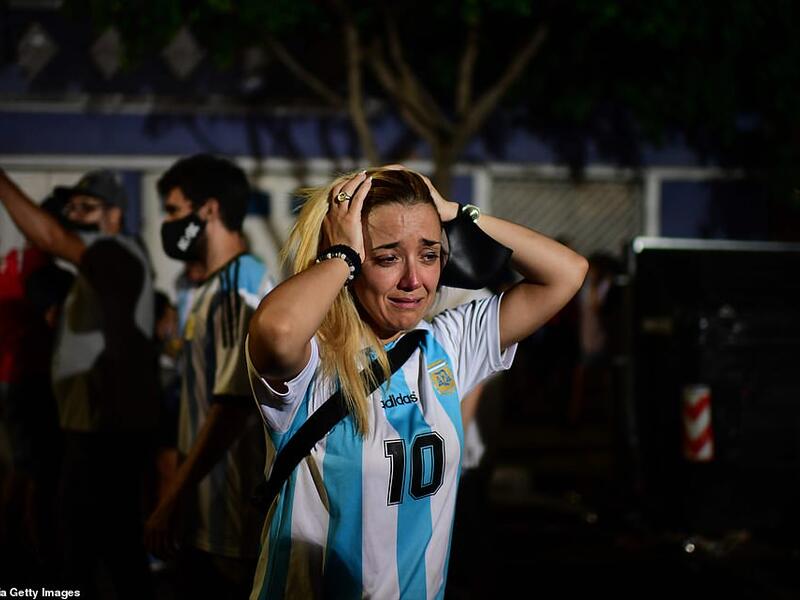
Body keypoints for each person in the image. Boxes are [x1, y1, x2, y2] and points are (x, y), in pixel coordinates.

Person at [246, 166, 588, 598]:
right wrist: (340, 256)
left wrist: (457, 213)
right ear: (348, 256)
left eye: (429, 255)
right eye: (387, 258)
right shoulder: (313, 359)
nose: (414, 280)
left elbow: (567, 272)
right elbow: (276, 331)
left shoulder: (445, 345)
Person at [0, 168, 160, 597]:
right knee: (103, 550)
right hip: (93, 430)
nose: (73, 216)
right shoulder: (95, 267)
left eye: (86, 209)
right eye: (71, 208)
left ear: (114, 216)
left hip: (106, 435)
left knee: (96, 553)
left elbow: (51, 237)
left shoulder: (117, 254)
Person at [144, 154, 274, 600]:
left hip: (230, 521)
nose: (168, 221)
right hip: (203, 512)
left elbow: (230, 410)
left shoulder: (241, 290)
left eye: (175, 210)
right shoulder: (209, 288)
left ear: (210, 210)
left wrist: (171, 497)